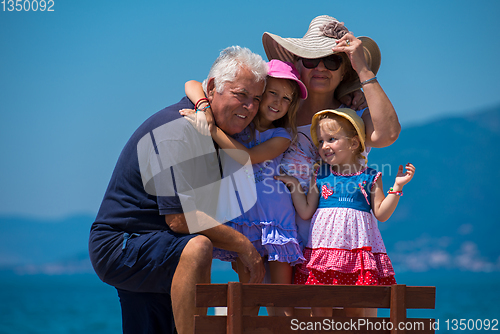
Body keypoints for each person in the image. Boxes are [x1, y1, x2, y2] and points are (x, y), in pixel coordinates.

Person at [88, 46, 268, 334]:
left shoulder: (214, 132)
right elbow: (180, 219)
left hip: (160, 243)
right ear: (212, 88)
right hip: (124, 243)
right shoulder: (177, 129)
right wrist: (242, 245)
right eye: (241, 95)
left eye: (256, 99)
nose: (250, 107)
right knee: (199, 247)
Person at [262, 15, 401, 251]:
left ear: (345, 70)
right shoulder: (277, 115)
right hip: (280, 247)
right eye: (311, 60)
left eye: (333, 61)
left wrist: (363, 70)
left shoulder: (354, 117)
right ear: (296, 63)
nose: (320, 67)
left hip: (341, 252)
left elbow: (388, 134)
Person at [180, 59, 308, 316]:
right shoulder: (238, 127)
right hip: (244, 221)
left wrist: (210, 127)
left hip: (277, 221)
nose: (278, 102)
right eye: (272, 93)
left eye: (286, 98)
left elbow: (246, 158)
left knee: (282, 303)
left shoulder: (281, 137)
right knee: (247, 299)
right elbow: (191, 84)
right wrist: (204, 107)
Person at [276, 108, 415, 317]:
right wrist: (294, 184)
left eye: (331, 139)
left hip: (356, 257)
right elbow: (305, 211)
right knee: (319, 307)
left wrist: (397, 187)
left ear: (353, 143)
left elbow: (381, 214)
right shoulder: (320, 174)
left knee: (355, 309)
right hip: (322, 256)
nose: (324, 146)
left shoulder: (370, 177)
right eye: (321, 141)